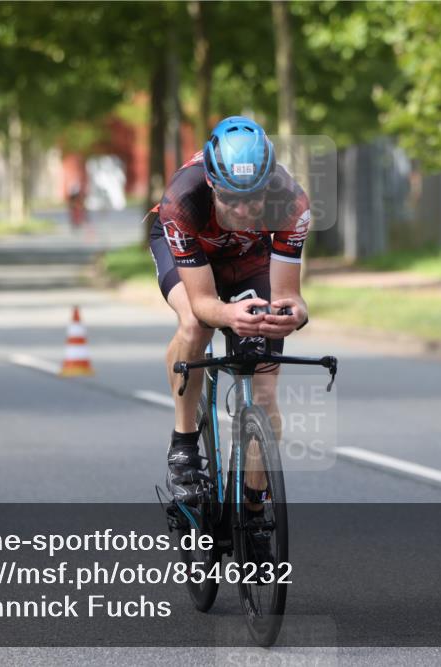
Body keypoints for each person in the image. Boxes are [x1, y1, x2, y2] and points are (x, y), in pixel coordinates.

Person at [147, 116, 311, 506]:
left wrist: (293, 315)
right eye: (230, 199)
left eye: (253, 198)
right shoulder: (181, 201)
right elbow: (204, 303)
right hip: (191, 253)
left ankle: (254, 507)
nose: (242, 209)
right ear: (211, 183)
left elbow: (289, 295)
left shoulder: (291, 202)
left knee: (266, 393)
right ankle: (184, 444)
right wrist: (229, 314)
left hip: (247, 257)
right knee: (194, 323)